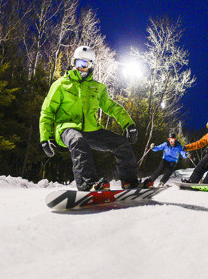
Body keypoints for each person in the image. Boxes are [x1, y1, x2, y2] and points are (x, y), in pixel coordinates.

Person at [39, 45, 142, 191]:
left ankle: (129, 181)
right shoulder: (60, 85)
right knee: (78, 141)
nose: (79, 68)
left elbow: (112, 107)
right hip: (66, 128)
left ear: (91, 66)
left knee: (121, 143)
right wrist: (45, 138)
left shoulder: (97, 88)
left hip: (91, 130)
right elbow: (47, 111)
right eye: (77, 63)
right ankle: (87, 183)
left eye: (84, 64)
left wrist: (128, 125)